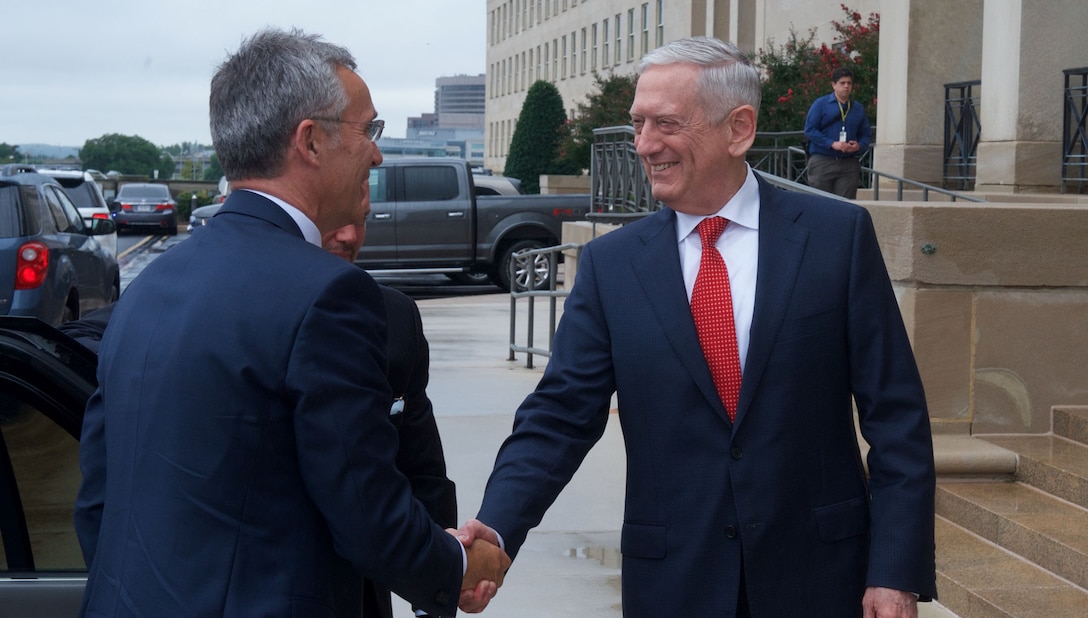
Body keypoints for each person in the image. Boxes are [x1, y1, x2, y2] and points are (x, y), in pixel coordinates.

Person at [460, 37, 936, 617]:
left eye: (666, 124)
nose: (644, 145)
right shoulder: (614, 267)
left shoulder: (837, 238)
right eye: (637, 123)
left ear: (738, 129)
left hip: (820, 580)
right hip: (675, 585)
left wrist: (895, 571)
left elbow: (897, 417)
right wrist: (497, 527)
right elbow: (560, 414)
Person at [72, 28, 507, 617]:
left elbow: (98, 500)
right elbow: (365, 510)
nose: (377, 154)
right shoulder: (327, 295)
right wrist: (457, 567)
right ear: (311, 141)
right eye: (367, 130)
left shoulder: (149, 289)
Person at [62, 221, 457, 618]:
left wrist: (438, 593)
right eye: (334, 221)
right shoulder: (167, 304)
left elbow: (422, 473)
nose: (348, 236)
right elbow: (100, 493)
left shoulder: (391, 316)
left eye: (360, 221)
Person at [803, 66, 872, 199]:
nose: (846, 86)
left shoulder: (857, 108)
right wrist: (831, 143)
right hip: (823, 160)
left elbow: (866, 133)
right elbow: (810, 130)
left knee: (845, 205)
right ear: (834, 85)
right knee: (821, 204)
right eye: (842, 83)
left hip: (848, 163)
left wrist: (859, 146)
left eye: (849, 83)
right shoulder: (821, 104)